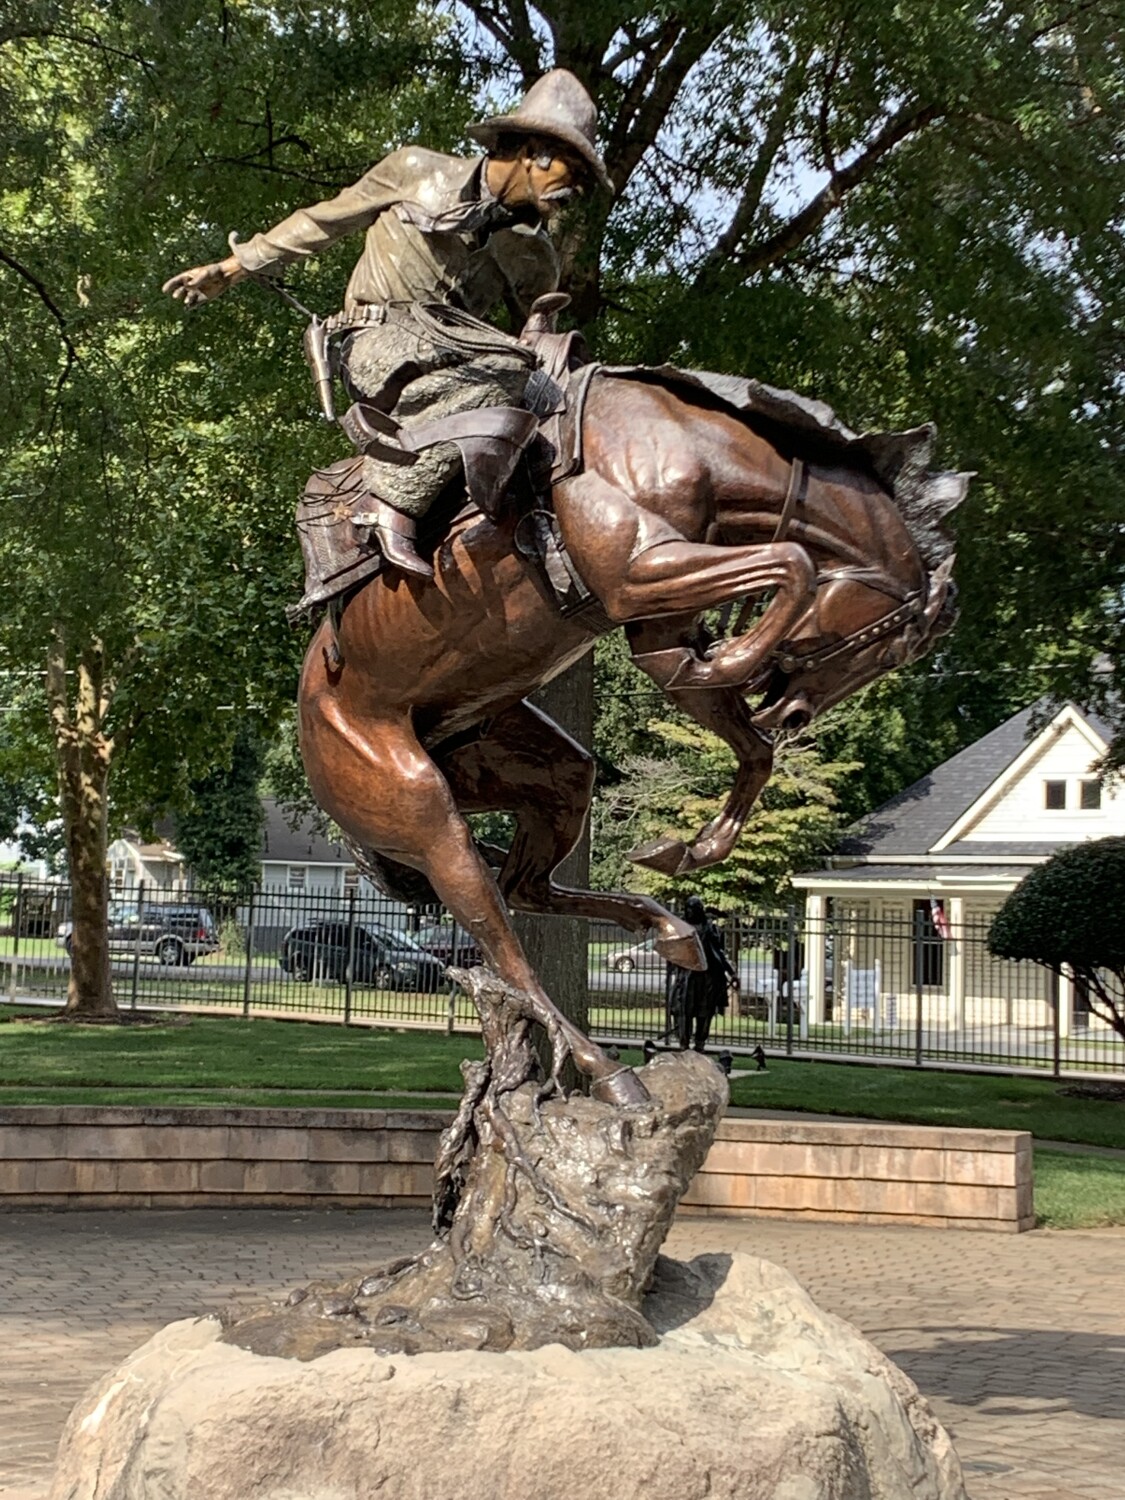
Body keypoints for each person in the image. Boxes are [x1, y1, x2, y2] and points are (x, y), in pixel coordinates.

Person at [162, 70, 611, 578]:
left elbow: (534, 341)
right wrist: (231, 269)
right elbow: (322, 221)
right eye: (573, 169)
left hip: (457, 370)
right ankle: (386, 503)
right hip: (377, 343)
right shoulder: (415, 170)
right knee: (507, 369)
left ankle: (544, 545)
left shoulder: (534, 256)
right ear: (534, 152)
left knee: (542, 393)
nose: (577, 189)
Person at [669, 896, 739, 1053]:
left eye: (693, 909)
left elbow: (718, 953)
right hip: (686, 978)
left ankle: (700, 1044)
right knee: (683, 1011)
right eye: (688, 909)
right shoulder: (680, 927)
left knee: (705, 1012)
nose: (690, 912)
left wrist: (731, 973)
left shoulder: (709, 928)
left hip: (706, 978)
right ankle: (684, 1044)